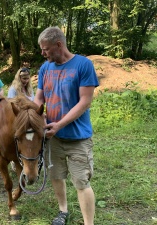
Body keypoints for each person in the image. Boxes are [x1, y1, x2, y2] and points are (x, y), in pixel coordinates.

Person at [34, 26, 99, 225]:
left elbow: (85, 101)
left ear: (59, 45)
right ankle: (63, 211)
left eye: (45, 49)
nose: (43, 53)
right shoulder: (45, 68)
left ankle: (89, 223)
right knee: (56, 175)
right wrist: (38, 117)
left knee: (81, 182)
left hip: (78, 138)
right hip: (53, 138)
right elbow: (39, 98)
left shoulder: (83, 65)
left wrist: (59, 124)